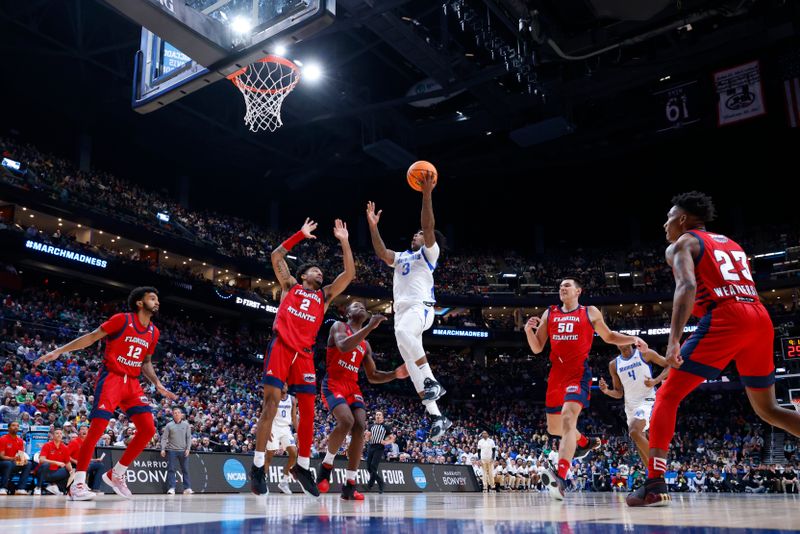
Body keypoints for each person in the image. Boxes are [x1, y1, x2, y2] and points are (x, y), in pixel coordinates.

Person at [627, 192, 800, 507]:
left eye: (668, 218)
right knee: (768, 409)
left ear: (682, 219)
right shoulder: (733, 244)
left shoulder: (682, 244)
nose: (665, 225)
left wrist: (674, 338)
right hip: (760, 317)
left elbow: (688, 286)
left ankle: (653, 484)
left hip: (727, 317)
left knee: (667, 395)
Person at [35, 286, 177, 501]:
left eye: (157, 299)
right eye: (152, 298)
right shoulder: (122, 320)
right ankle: (78, 484)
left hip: (133, 384)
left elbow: (146, 362)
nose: (157, 302)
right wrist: (59, 351)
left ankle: (117, 474)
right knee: (96, 430)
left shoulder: (153, 332)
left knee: (148, 429)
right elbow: (92, 337)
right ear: (140, 302)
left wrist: (156, 382)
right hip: (111, 378)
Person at [251, 218, 355, 497]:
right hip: (281, 348)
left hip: (305, 355)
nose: (321, 275)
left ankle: (303, 467)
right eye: (316, 271)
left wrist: (344, 241)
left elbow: (349, 274)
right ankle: (258, 466)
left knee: (308, 412)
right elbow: (276, 255)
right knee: (271, 404)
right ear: (303, 274)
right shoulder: (289, 286)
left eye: (322, 273)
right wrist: (300, 234)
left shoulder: (325, 296)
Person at [524, 277, 648, 500]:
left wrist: (633, 338)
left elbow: (609, 336)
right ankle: (584, 443)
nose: (562, 288)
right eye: (560, 285)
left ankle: (560, 478)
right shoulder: (549, 313)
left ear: (578, 291)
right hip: (556, 375)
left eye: (567, 285)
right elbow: (537, 348)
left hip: (578, 373)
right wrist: (527, 330)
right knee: (554, 429)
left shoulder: (589, 312)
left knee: (568, 419)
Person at [366, 173, 451, 441]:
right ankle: (437, 415)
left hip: (420, 308)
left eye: (419, 234)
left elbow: (428, 226)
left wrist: (426, 194)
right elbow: (382, 253)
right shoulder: (402, 256)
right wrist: (373, 226)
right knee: (412, 366)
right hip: (401, 312)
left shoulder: (429, 253)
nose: (416, 235)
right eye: (414, 233)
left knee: (406, 340)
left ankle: (433, 382)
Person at [317, 302, 407, 500]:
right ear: (347, 312)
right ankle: (325, 467)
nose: (361, 307)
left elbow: (373, 375)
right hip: (334, 383)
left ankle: (350, 484)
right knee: (346, 421)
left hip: (352, 386)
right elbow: (342, 346)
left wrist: (395, 374)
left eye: (363, 307)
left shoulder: (365, 344)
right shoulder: (339, 327)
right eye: (355, 306)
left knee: (359, 426)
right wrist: (370, 327)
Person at [599, 343, 669, 465]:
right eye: (620, 344)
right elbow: (619, 393)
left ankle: (659, 465)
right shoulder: (614, 364)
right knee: (638, 440)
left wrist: (655, 381)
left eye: (624, 343)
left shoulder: (644, 353)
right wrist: (606, 391)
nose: (623, 346)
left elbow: (669, 365)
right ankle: (654, 477)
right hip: (630, 406)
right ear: (617, 346)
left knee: (634, 432)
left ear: (631, 342)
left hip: (646, 400)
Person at [265, 383, 298, 496]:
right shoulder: (274, 397)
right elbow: (268, 415)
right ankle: (263, 480)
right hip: (273, 426)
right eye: (282, 385)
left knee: (294, 453)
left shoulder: (292, 399)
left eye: (285, 385)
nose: (284, 386)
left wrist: (298, 432)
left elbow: (294, 417)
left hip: (285, 428)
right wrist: (267, 429)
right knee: (270, 454)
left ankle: (284, 481)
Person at [161, 407, 193, 495]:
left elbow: (188, 438)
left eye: (178, 412)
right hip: (172, 450)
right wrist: (163, 449)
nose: (177, 414)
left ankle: (187, 488)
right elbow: (164, 438)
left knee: (185, 470)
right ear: (173, 414)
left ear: (181, 415)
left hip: (183, 451)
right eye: (175, 413)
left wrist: (188, 449)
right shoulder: (169, 425)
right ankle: (172, 488)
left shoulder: (186, 425)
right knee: (171, 469)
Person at [67, 425, 105, 491]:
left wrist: (95, 460)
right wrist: (75, 461)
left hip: (85, 463)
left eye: (86, 429)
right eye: (82, 429)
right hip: (76, 464)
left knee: (100, 465)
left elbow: (86, 458)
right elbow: (66, 456)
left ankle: (95, 488)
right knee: (87, 466)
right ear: (78, 432)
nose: (84, 431)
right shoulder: (74, 442)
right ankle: (82, 484)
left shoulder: (88, 443)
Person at [0, 421, 33, 495]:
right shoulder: (3, 439)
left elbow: (20, 455)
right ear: (8, 428)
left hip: (13, 463)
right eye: (13, 425)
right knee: (8, 464)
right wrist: (12, 458)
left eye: (17, 426)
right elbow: (1, 456)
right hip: (2, 463)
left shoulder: (20, 441)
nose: (16, 427)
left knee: (28, 464)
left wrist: (23, 460)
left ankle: (20, 488)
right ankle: (3, 488)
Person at [365, 411, 394, 493]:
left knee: (373, 466)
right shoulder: (371, 426)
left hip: (379, 447)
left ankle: (370, 484)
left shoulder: (386, 427)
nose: (378, 416)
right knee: (368, 467)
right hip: (371, 446)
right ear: (375, 416)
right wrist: (367, 438)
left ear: (382, 417)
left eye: (379, 415)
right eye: (377, 415)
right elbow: (368, 435)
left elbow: (392, 438)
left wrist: (386, 442)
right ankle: (381, 482)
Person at [37, 428, 72, 495]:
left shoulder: (65, 447)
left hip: (56, 472)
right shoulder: (47, 445)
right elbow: (41, 460)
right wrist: (56, 462)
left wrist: (72, 472)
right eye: (57, 433)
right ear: (53, 436)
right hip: (45, 472)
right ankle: (38, 488)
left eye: (60, 433)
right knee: (46, 464)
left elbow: (67, 462)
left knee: (67, 471)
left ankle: (55, 487)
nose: (59, 435)